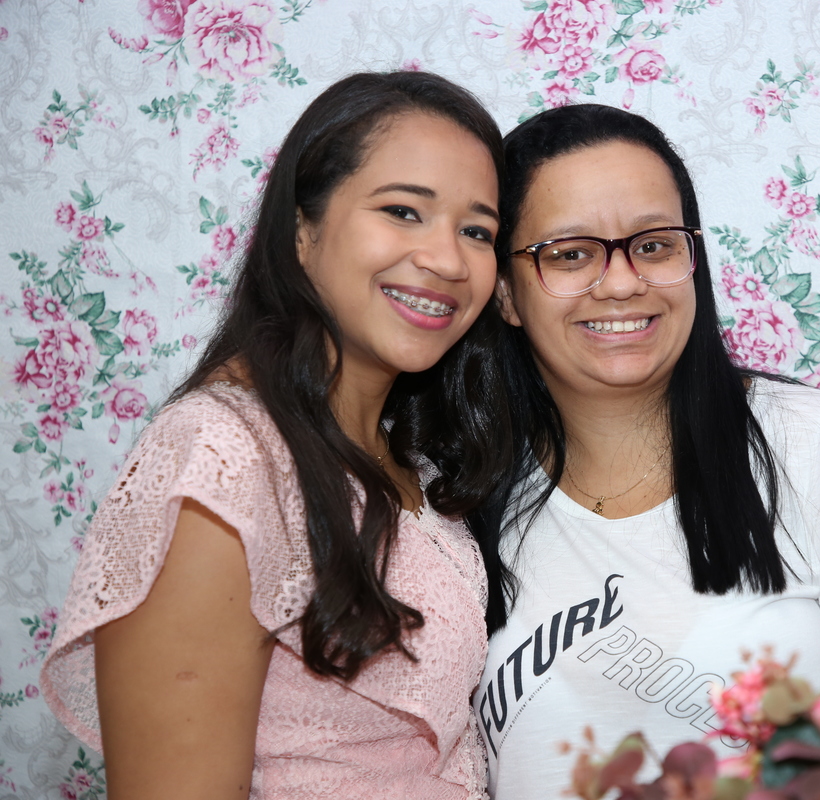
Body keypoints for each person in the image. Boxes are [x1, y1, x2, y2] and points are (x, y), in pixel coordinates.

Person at [468, 104, 820, 797]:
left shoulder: (810, 442)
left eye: (654, 245)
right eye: (570, 254)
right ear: (504, 293)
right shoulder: (454, 493)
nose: (622, 282)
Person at [41, 71, 508, 800]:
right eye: (402, 211)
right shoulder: (223, 459)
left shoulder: (410, 458)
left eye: (477, 231)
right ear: (300, 229)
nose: (448, 260)